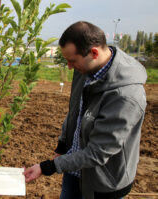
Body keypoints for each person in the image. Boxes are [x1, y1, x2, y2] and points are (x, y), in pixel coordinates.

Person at [24, 21, 147, 199]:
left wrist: (48, 166)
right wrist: (62, 144)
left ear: (94, 53)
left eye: (72, 61)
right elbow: (75, 110)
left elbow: (98, 152)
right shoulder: (86, 69)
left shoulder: (125, 95)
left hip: (103, 183)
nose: (69, 67)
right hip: (74, 171)